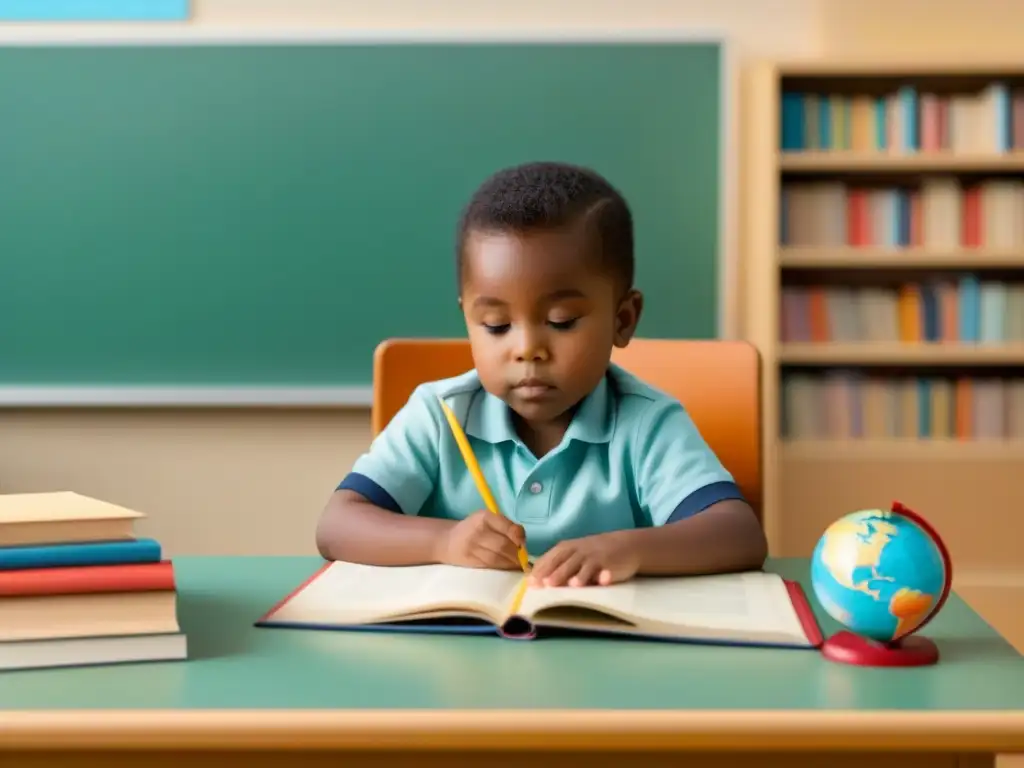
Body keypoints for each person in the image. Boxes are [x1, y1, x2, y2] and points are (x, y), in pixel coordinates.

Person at [316, 161, 767, 587]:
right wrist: (444, 541)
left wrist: (627, 549)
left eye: (562, 321)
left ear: (623, 320)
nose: (527, 348)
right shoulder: (439, 415)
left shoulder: (647, 423)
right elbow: (337, 525)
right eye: (495, 326)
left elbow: (740, 534)